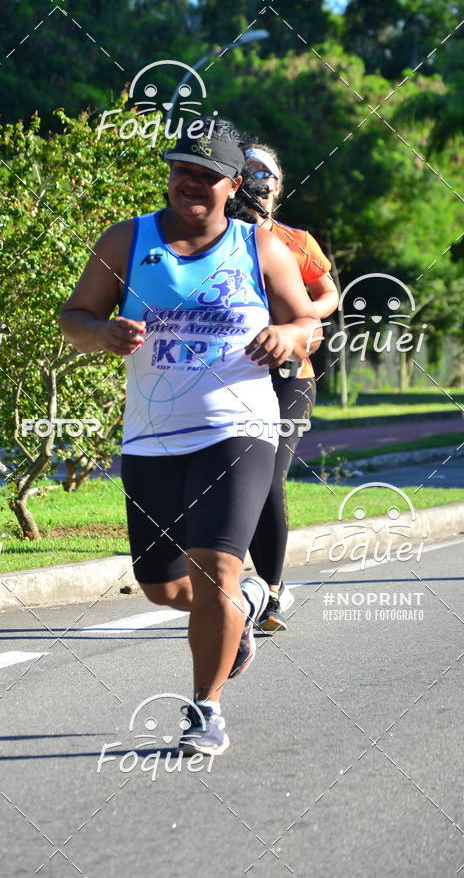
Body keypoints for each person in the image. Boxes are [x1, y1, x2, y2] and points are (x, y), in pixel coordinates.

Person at [60, 119, 321, 756]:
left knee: (215, 568)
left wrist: (289, 337)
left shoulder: (260, 246)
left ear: (233, 185)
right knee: (160, 584)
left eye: (207, 175)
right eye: (183, 170)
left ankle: (206, 711)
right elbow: (74, 315)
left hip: (240, 426)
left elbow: (307, 317)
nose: (192, 183)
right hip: (151, 436)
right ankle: (244, 608)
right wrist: (100, 334)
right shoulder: (127, 240)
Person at [227, 143, 339, 632]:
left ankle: (269, 594)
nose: (258, 179)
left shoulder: (296, 241)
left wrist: (303, 319)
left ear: (278, 183)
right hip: (232, 372)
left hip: (292, 375)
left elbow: (327, 292)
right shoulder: (218, 238)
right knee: (234, 481)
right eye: (247, 170)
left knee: (268, 477)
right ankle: (239, 583)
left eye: (266, 172)